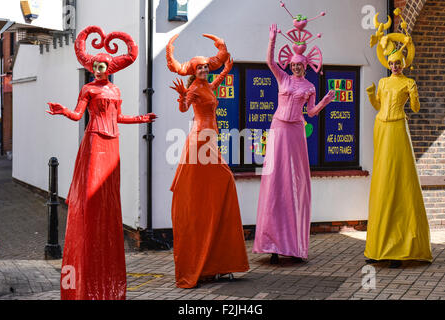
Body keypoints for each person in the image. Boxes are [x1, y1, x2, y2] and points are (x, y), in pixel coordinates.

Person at [47, 26, 157, 299]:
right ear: (92, 67)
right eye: (94, 66)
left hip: (113, 142)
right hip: (95, 141)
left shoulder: (115, 89)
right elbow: (77, 115)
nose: (97, 69)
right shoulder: (88, 88)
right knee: (93, 197)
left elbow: (119, 118)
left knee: (109, 196)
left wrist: (142, 119)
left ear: (108, 67)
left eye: (102, 66)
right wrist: (63, 111)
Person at [166, 33, 249, 288]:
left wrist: (225, 69)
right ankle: (205, 262)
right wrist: (182, 96)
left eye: (205, 66)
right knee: (216, 185)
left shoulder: (206, 86)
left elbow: (215, 87)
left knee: (222, 186)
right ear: (194, 71)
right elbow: (183, 109)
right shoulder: (193, 88)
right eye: (200, 67)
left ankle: (217, 261)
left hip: (211, 140)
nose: (203, 69)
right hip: (200, 141)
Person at [253, 19, 335, 264]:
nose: (297, 68)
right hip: (278, 128)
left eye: (300, 65)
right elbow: (270, 62)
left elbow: (310, 113)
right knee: (276, 180)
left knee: (295, 182)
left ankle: (295, 245)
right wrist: (272, 40)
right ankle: (272, 244)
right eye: (294, 65)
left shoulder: (309, 86)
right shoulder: (283, 79)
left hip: (296, 131)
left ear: (306, 66)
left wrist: (325, 101)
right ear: (290, 65)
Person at [365, 9, 432, 268]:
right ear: (388, 64)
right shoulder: (383, 83)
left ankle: (401, 247)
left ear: (403, 64)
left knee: (399, 180)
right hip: (381, 127)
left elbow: (414, 109)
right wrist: (371, 94)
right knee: (383, 180)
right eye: (391, 63)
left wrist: (414, 92)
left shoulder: (408, 82)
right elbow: (377, 105)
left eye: (398, 63)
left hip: (398, 129)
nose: (394, 66)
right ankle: (379, 247)